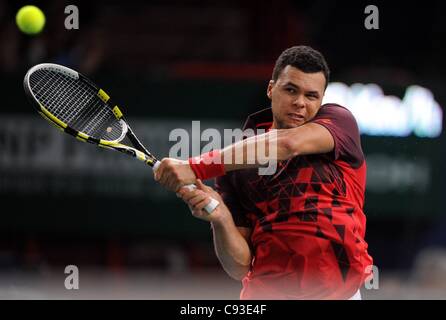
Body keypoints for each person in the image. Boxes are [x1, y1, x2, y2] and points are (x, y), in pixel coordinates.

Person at [154, 45, 373, 300]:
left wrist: (193, 167)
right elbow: (239, 267)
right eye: (290, 90)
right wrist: (221, 218)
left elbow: (287, 144)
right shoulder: (237, 164)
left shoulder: (339, 123)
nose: (300, 103)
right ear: (271, 89)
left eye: (311, 96)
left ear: (321, 100)